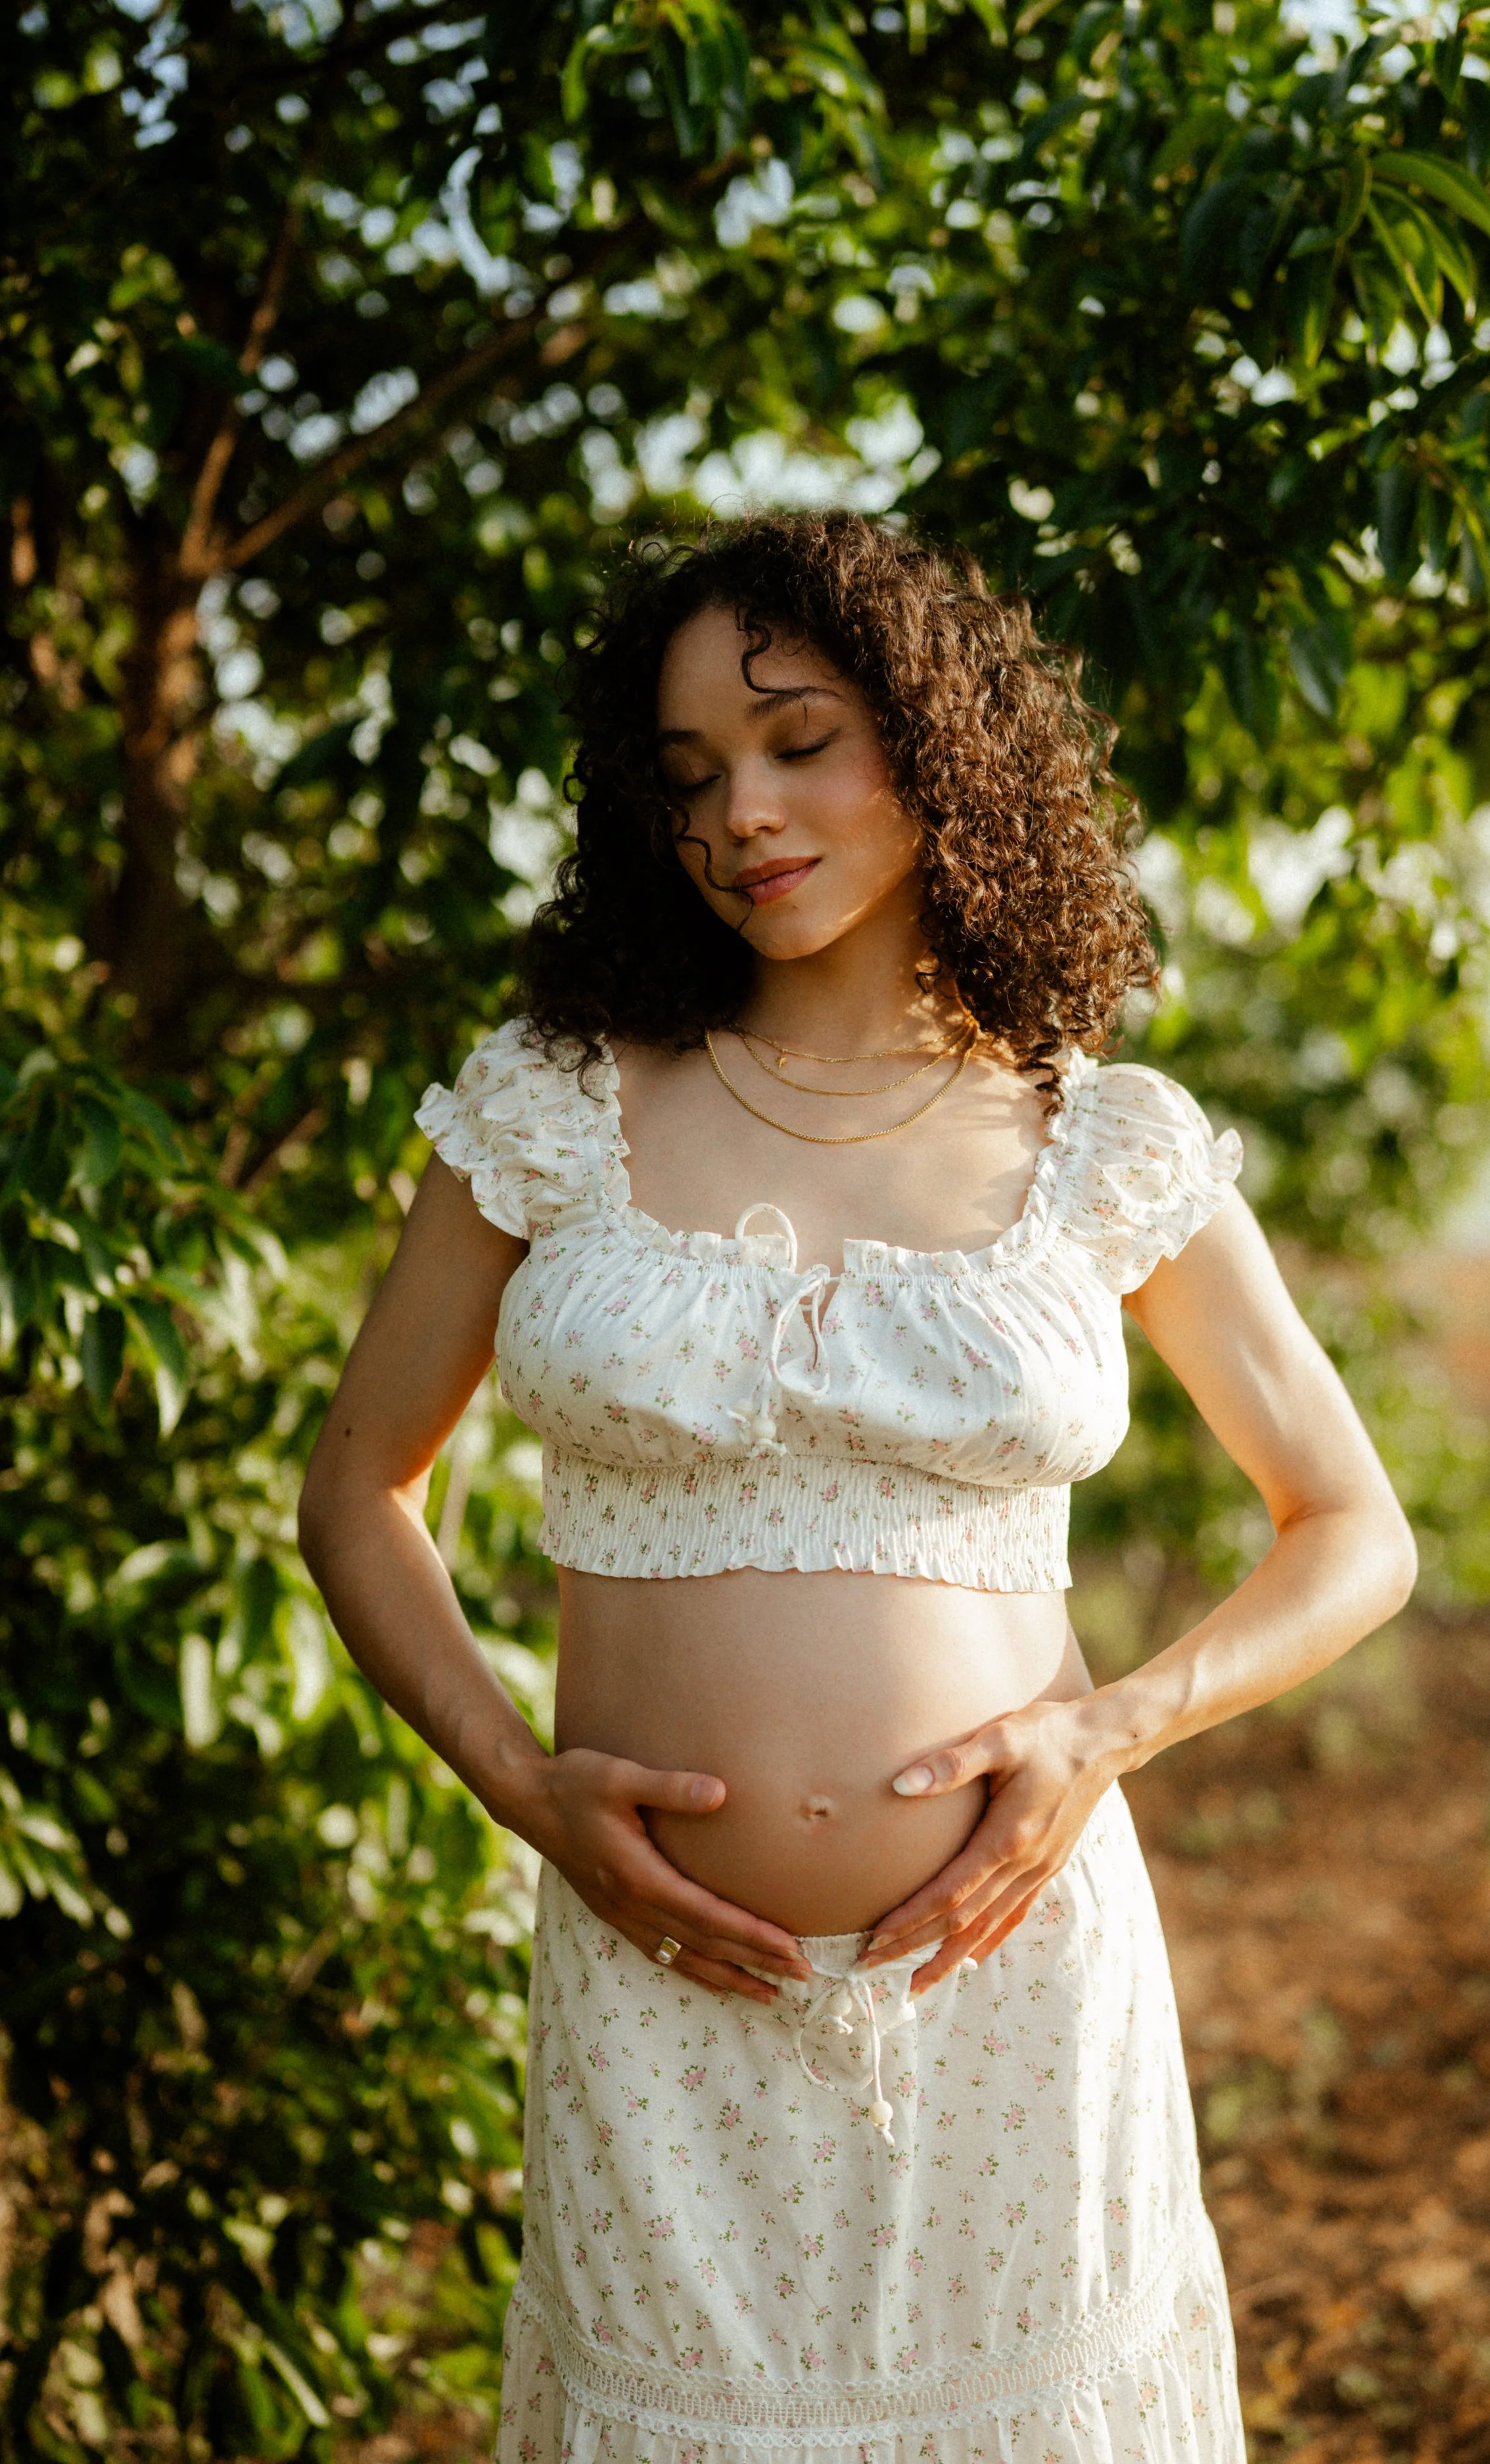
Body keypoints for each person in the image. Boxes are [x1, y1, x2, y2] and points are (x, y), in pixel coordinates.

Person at [298, 513, 1416, 2464]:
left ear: (931, 743)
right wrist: (519, 1783)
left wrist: (1105, 1727)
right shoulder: (553, 1101)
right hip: (660, 1997)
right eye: (688, 774)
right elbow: (356, 1490)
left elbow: (1349, 1524)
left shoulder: (1094, 1134)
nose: (740, 809)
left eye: (796, 740)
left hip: (1011, 1992)